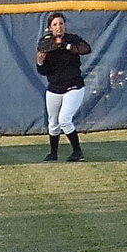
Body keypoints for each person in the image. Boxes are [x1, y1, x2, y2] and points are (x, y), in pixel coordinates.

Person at [36, 11, 91, 161]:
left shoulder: (72, 39)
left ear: (65, 26)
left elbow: (86, 49)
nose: (59, 27)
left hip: (73, 86)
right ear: (50, 28)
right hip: (54, 87)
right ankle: (53, 153)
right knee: (53, 123)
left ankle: (78, 153)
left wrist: (66, 46)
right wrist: (40, 62)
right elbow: (43, 70)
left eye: (61, 23)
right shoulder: (46, 44)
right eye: (55, 24)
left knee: (64, 119)